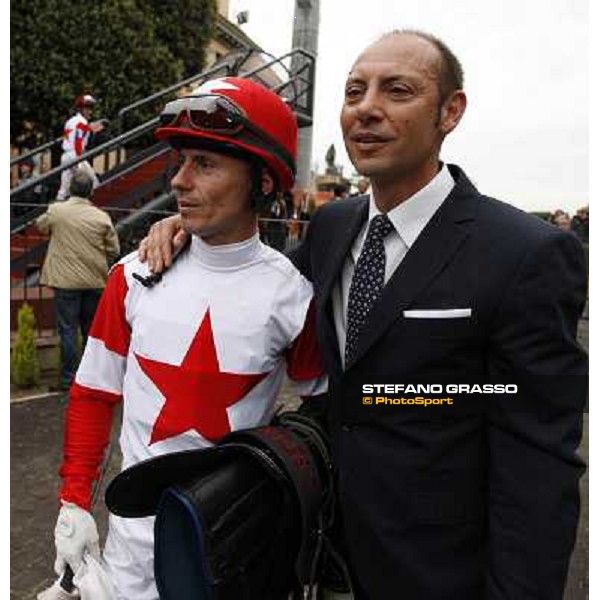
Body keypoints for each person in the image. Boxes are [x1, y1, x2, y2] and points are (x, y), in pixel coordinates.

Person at [139, 31, 587, 600]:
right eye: (354, 92)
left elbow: (538, 469)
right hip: (325, 552)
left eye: (397, 90)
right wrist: (191, 228)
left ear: (450, 111)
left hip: (442, 572)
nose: (367, 107)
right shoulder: (331, 228)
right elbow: (259, 282)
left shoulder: (526, 254)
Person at [47, 77, 327, 600]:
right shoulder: (131, 274)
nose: (179, 180)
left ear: (263, 182)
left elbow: (320, 412)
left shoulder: (295, 298)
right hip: (126, 554)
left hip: (231, 556)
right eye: (181, 162)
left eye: (205, 164)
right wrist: (73, 502)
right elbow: (93, 392)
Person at [36, 169, 119, 391]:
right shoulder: (101, 217)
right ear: (90, 191)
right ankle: (93, 378)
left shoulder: (57, 211)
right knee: (92, 332)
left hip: (66, 282)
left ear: (71, 189)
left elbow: (40, 226)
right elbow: (114, 250)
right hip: (94, 280)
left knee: (68, 330)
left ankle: (68, 379)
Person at [56, 94, 105, 201]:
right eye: (87, 108)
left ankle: (55, 211)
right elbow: (78, 140)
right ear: (80, 109)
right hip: (76, 156)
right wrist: (79, 159)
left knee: (63, 190)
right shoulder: (82, 122)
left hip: (66, 156)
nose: (90, 111)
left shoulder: (70, 121)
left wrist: (89, 128)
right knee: (93, 183)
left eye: (90, 108)